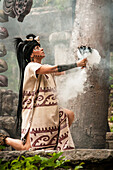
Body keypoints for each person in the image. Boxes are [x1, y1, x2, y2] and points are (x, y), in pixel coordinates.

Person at [0, 34, 87, 151]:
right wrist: (77, 64)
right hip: (36, 113)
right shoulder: (31, 67)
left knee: (69, 114)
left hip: (50, 111)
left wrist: (79, 67)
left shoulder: (44, 68)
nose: (41, 49)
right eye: (37, 48)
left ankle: (57, 140)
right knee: (27, 147)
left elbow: (62, 72)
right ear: (31, 55)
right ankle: (4, 140)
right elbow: (55, 69)